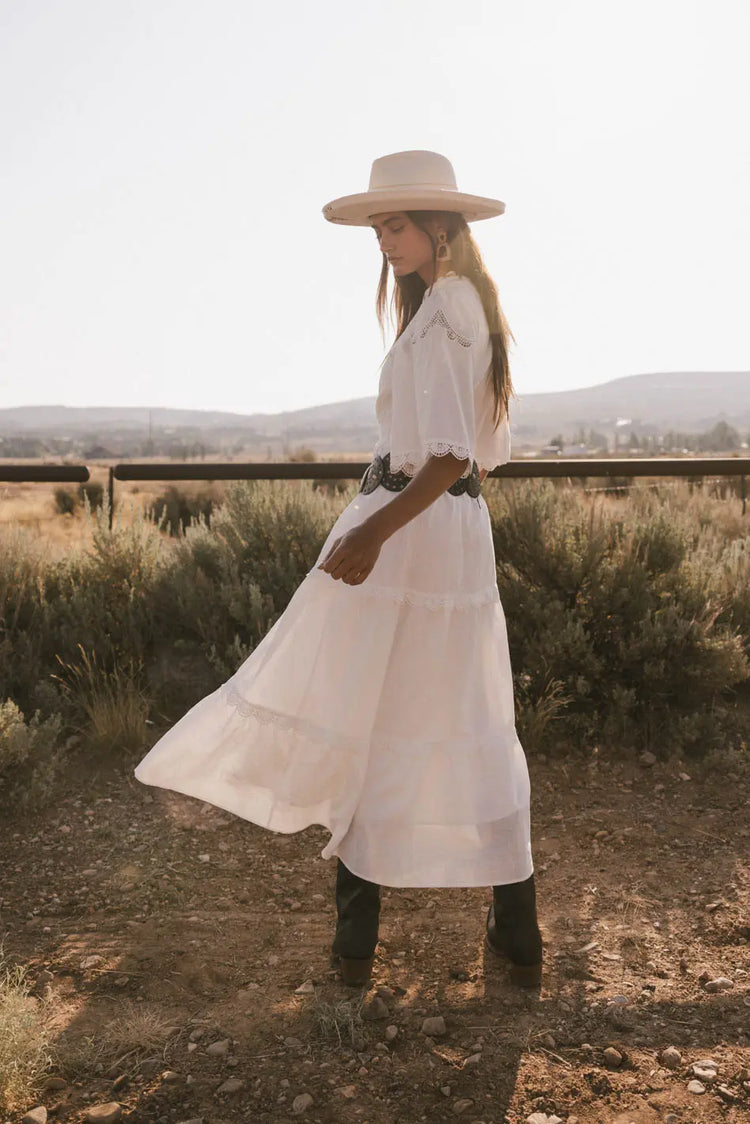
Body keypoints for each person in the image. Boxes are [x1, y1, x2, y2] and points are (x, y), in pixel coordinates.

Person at [134, 149, 543, 989]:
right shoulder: (456, 307)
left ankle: (357, 950)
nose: (383, 240)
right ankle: (511, 932)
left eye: (395, 224)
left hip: (413, 530)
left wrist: (373, 534)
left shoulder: (447, 313)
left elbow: (446, 457)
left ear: (439, 226)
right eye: (378, 227)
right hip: (442, 531)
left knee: (381, 709)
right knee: (452, 711)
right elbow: (475, 459)